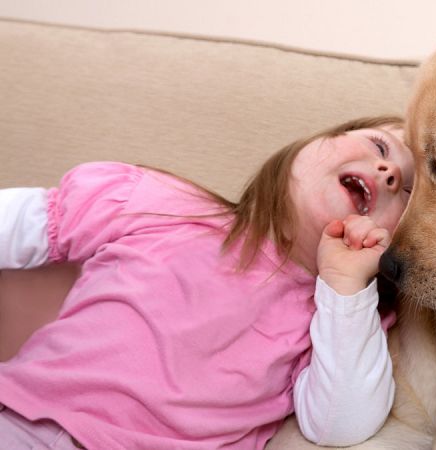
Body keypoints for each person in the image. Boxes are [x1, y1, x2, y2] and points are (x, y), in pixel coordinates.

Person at [0, 115, 414, 449]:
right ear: (315, 141)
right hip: (22, 419)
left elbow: (340, 425)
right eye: (380, 146)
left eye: (410, 194)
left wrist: (345, 287)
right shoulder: (160, 204)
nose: (389, 171)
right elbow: (17, 224)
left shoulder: (336, 316)